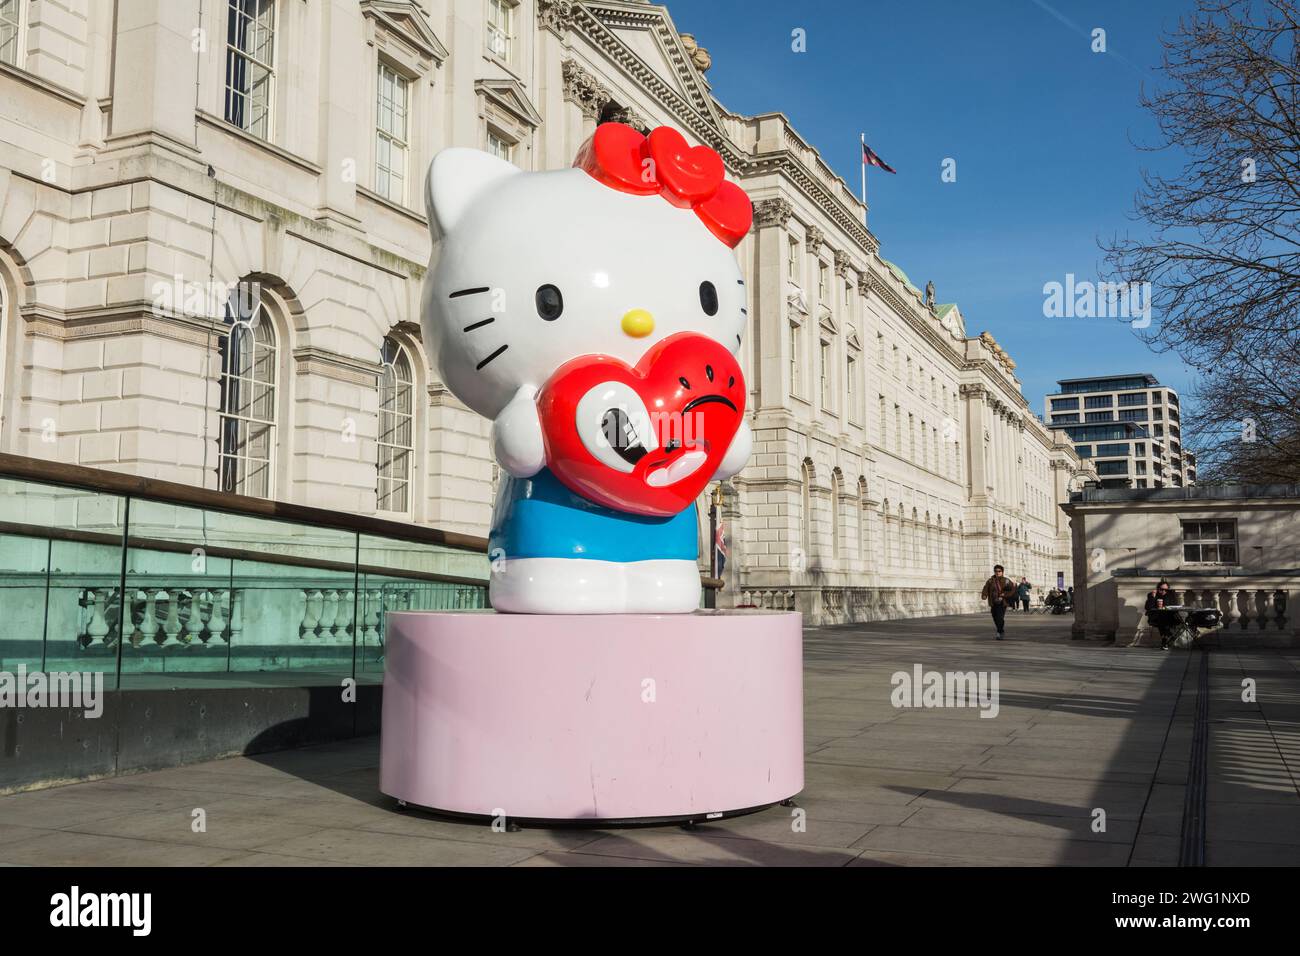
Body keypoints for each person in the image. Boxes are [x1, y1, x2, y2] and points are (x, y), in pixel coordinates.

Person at [980, 564, 1017, 640]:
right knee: (995, 617)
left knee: (1000, 617)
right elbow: (985, 588)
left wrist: (1004, 595)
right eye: (996, 571)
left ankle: (999, 632)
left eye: (999, 571)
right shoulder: (990, 581)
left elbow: (1013, 590)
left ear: (1002, 572)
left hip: (1002, 602)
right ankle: (1001, 630)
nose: (997, 572)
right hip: (993, 602)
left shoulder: (1006, 580)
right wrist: (984, 595)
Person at [1144, 580, 1177, 650]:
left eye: (1166, 590)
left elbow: (1174, 605)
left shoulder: (1170, 595)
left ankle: (1165, 640)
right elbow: (1148, 607)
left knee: (1165, 620)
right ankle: (1166, 638)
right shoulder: (1152, 595)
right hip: (1156, 616)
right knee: (1162, 620)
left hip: (1169, 616)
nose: (1164, 591)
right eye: (1162, 589)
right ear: (1158, 589)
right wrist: (1153, 597)